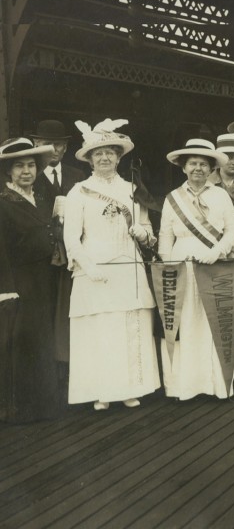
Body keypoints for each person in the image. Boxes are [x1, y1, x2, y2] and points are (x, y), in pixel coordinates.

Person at [64, 119, 160, 411]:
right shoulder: (78, 192)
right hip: (94, 271)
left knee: (128, 328)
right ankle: (101, 392)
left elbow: (148, 232)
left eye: (110, 152)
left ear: (119, 157)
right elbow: (71, 239)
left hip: (127, 268)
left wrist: (143, 233)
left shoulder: (133, 189)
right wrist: (88, 266)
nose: (104, 158)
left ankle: (131, 388)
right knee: (99, 331)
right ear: (90, 160)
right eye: (98, 153)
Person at [158, 138, 234, 400]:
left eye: (204, 164)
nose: (198, 169)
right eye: (193, 163)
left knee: (213, 321)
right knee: (185, 322)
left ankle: (215, 384)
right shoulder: (173, 199)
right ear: (183, 167)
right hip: (182, 266)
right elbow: (165, 238)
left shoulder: (220, 195)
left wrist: (217, 252)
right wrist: (170, 267)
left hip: (215, 265)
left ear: (212, 168)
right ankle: (186, 386)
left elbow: (232, 232)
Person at [0, 138, 60, 422]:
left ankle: (45, 406)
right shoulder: (3, 204)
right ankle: (21, 410)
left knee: (42, 340)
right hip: (21, 282)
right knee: (22, 342)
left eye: (31, 166)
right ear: (8, 172)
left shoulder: (42, 198)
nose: (26, 172)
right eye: (19, 166)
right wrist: (6, 289)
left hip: (45, 279)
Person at [30, 120, 86, 386]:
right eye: (46, 144)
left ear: (65, 148)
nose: (53, 149)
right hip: (39, 258)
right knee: (43, 311)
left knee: (67, 311)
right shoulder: (29, 175)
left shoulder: (79, 175)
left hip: (70, 258)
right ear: (36, 146)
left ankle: (66, 369)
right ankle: (45, 373)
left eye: (59, 144)